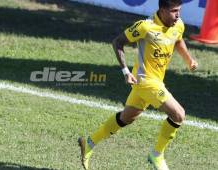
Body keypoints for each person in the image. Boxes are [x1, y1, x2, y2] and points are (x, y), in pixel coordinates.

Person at [78, 0, 198, 169]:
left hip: (156, 80)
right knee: (178, 114)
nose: (177, 15)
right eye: (174, 11)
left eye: (179, 10)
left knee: (126, 118)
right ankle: (156, 154)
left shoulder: (178, 25)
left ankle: (89, 143)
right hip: (145, 81)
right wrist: (125, 71)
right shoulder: (145, 27)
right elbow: (118, 42)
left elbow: (178, 40)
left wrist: (189, 60)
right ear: (162, 10)